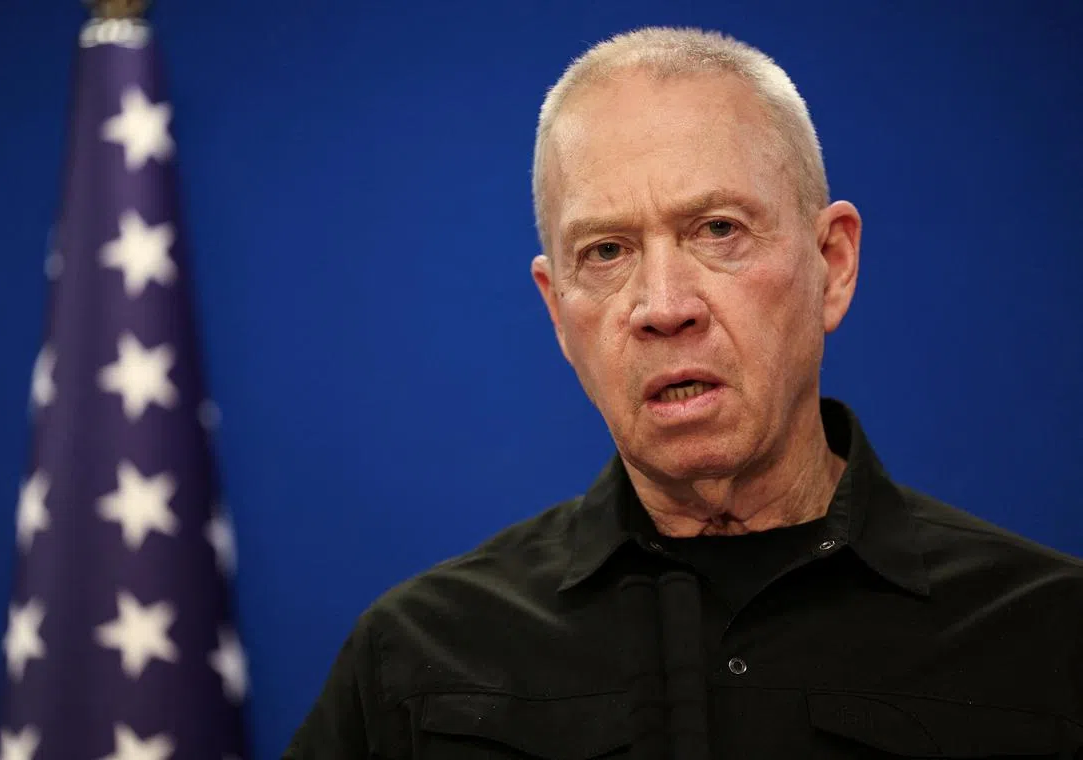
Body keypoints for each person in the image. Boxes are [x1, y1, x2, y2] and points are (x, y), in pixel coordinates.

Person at [283, 27, 1083, 758]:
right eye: (606, 251)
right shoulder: (416, 660)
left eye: (718, 230)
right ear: (558, 312)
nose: (663, 306)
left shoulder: (1050, 637)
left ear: (832, 265)